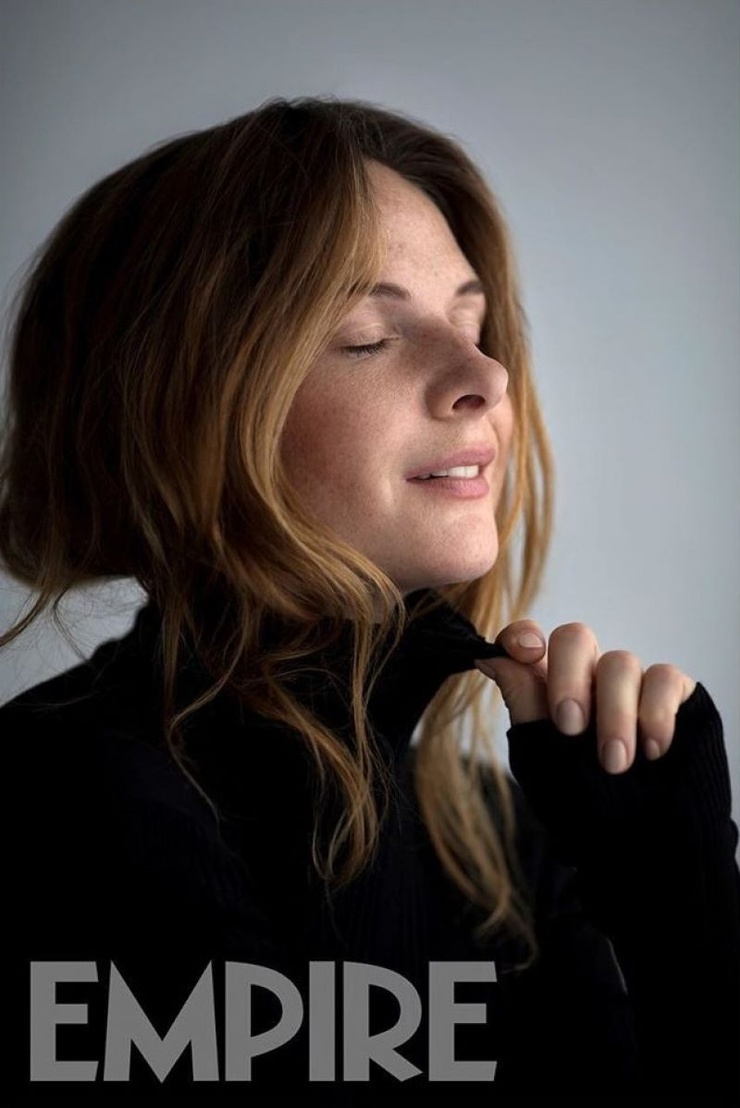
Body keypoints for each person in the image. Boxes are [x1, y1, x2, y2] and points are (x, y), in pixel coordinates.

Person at [1, 96, 738, 1107]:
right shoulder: (56, 802)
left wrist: (684, 925)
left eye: (471, 323)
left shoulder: (492, 836)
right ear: (176, 410)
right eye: (366, 336)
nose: (484, 375)